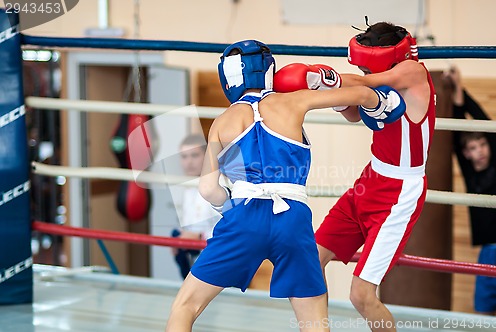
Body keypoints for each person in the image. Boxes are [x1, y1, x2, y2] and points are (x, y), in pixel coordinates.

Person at [165, 39, 406, 332]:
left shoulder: (221, 122)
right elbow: (360, 94)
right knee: (314, 323)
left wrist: (231, 207)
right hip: (292, 219)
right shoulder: (293, 101)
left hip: (243, 218)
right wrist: (382, 104)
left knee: (185, 307)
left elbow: (208, 190)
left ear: (227, 79)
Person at [277, 22, 436, 331]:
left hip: (400, 191)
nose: (364, 73)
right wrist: (332, 95)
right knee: (310, 261)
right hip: (369, 181)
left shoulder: (413, 73)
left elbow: (366, 84)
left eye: (366, 67)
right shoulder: (376, 83)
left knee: (361, 295)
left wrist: (321, 79)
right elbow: (353, 110)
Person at [445, 66, 496, 316]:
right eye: (474, 147)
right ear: (467, 153)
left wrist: (461, 88)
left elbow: (482, 120)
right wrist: (455, 90)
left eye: (482, 144)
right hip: (488, 250)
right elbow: (457, 133)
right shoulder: (470, 172)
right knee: (483, 311)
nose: (480, 150)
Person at [171, 134, 220, 279]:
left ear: (206, 157)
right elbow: (188, 225)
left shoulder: (221, 185)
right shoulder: (187, 189)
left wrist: (200, 236)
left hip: (219, 263)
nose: (189, 162)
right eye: (184, 157)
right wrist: (179, 238)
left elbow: (233, 228)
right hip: (196, 263)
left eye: (194, 155)